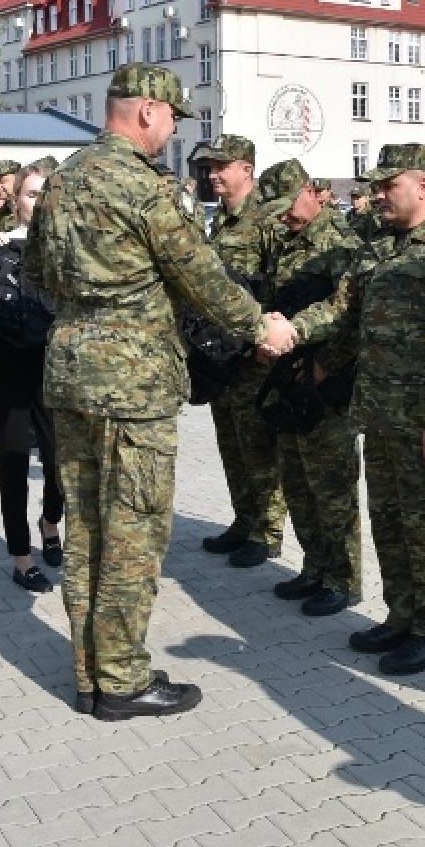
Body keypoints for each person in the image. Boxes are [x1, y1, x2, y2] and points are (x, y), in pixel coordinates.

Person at [27, 64, 296, 720]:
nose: (173, 132)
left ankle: (91, 673)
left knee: (87, 524)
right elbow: (200, 276)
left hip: (69, 373)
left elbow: (36, 273)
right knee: (134, 531)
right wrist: (260, 324)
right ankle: (121, 678)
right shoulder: (145, 188)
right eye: (172, 118)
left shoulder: (62, 181)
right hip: (133, 384)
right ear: (146, 112)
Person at [286, 143, 425, 674]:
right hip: (378, 413)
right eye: (373, 187)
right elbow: (342, 311)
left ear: (422, 186)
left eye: (385, 186)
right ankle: (401, 616)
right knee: (389, 520)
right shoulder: (377, 249)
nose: (375, 195)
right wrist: (290, 331)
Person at [261, 173, 364, 618]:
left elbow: (351, 317)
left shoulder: (340, 244)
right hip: (290, 375)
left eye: (290, 203)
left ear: (312, 191)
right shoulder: (285, 242)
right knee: (298, 481)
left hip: (327, 383)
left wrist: (324, 367)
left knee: (332, 488)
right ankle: (314, 566)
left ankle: (342, 579)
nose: (285, 214)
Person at [200, 134, 290, 569]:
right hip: (222, 354)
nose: (214, 174)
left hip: (254, 355)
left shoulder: (267, 221)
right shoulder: (221, 220)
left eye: (223, 166)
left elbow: (278, 287)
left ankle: (267, 530)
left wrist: (265, 341)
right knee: (230, 442)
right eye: (212, 167)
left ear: (247, 170)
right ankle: (244, 518)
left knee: (258, 445)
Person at [0, 165, 64, 593]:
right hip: (8, 364)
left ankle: (50, 522)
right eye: (30, 194)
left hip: (53, 363)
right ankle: (21, 556)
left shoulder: (67, 244)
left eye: (45, 193)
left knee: (58, 460)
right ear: (15, 201)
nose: (38, 201)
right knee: (12, 461)